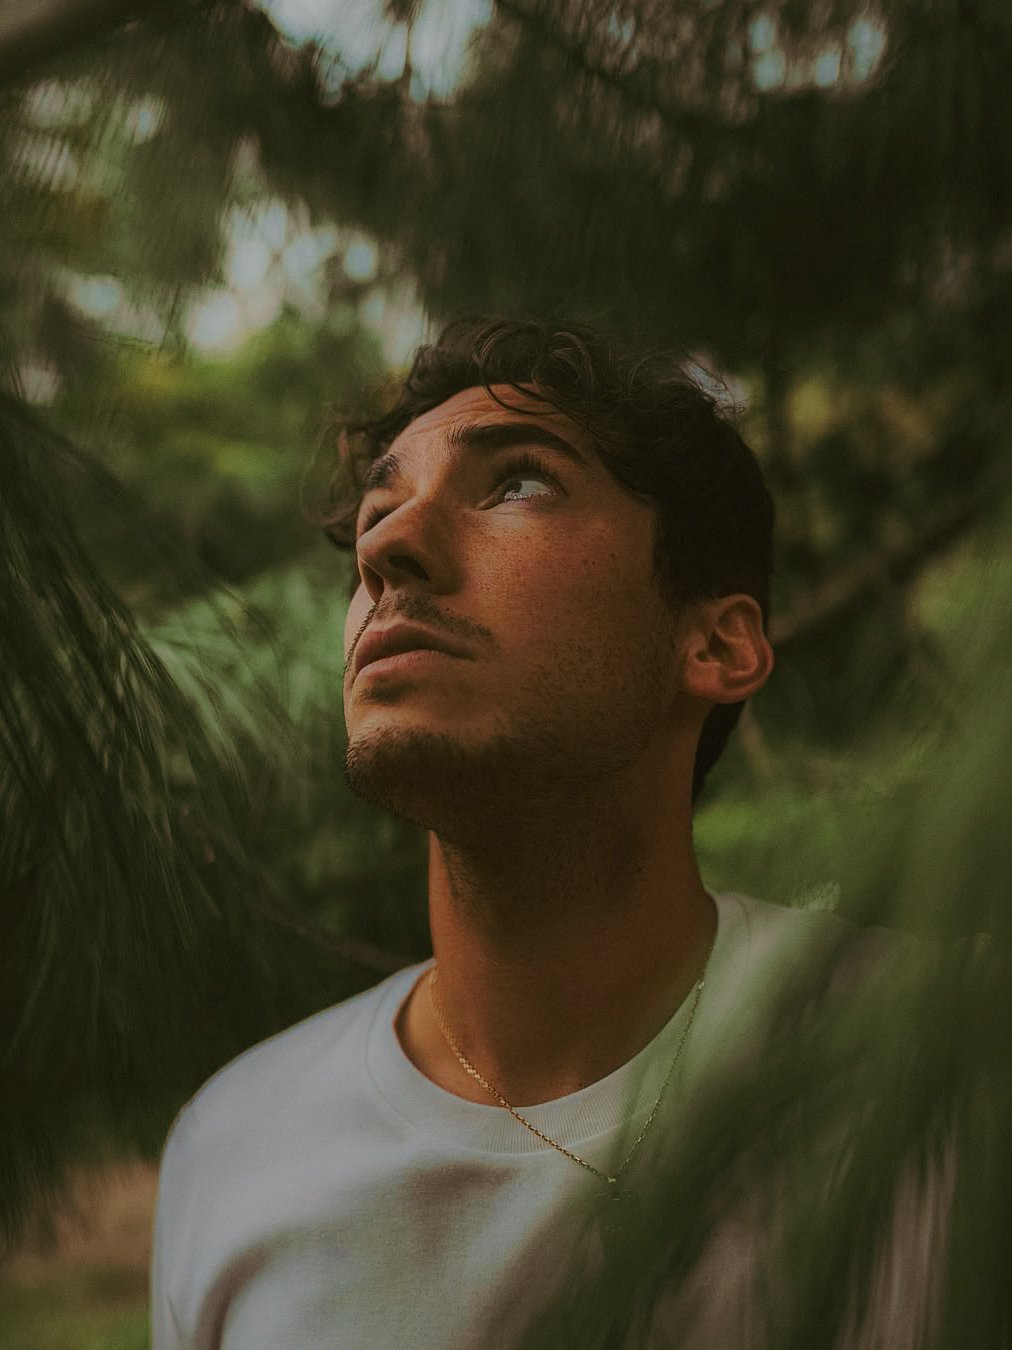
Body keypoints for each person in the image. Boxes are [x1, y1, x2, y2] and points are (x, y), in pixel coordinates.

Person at [150, 318, 945, 1349]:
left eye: (518, 484)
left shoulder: (944, 1061)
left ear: (714, 643)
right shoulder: (236, 1148)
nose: (385, 547)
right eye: (378, 513)